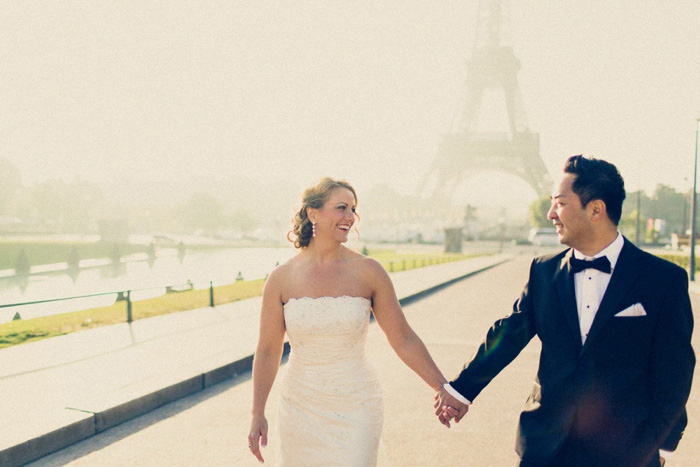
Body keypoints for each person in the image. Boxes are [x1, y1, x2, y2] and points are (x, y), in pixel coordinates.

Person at [435, 155, 695, 466]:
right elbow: (508, 335)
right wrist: (461, 390)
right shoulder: (543, 271)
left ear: (596, 209)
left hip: (627, 450)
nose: (550, 214)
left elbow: (674, 370)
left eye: (560, 203)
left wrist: (663, 445)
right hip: (546, 445)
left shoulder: (663, 279)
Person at [248, 177, 448, 465]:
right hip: (299, 406)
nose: (350, 217)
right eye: (341, 208)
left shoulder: (370, 272)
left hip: (358, 404)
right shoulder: (281, 278)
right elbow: (268, 349)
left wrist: (442, 387)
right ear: (312, 213)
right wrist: (257, 412)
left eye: (353, 209)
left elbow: (403, 338)